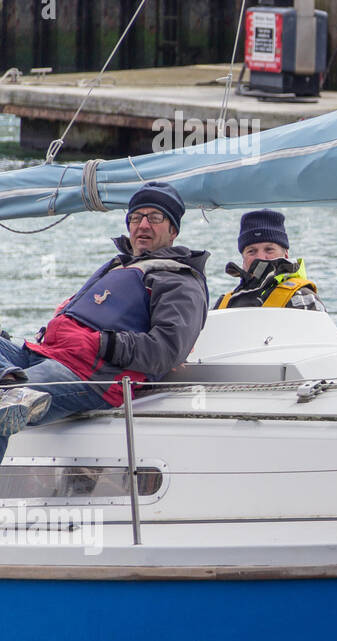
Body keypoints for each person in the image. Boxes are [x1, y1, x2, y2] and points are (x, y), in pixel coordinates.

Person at [0, 181, 209, 453]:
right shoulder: (117, 266)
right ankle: (12, 381)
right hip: (46, 354)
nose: (143, 225)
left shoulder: (179, 281)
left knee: (4, 406)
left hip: (86, 374)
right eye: (136, 217)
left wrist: (102, 343)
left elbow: (168, 349)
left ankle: (13, 391)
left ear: (173, 231)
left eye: (155, 218)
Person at [213, 210, 325, 311]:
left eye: (269, 249)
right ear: (243, 258)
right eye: (252, 251)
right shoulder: (223, 304)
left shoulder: (303, 298)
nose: (260, 257)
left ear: (286, 254)